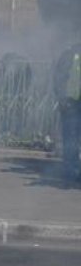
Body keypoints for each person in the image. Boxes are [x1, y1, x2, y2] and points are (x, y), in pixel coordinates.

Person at [53, 38, 81, 181]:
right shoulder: (69, 55)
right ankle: (71, 171)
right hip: (71, 104)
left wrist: (61, 98)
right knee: (71, 139)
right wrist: (62, 98)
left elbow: (58, 78)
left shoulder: (69, 54)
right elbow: (59, 78)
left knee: (71, 139)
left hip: (70, 103)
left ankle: (71, 170)